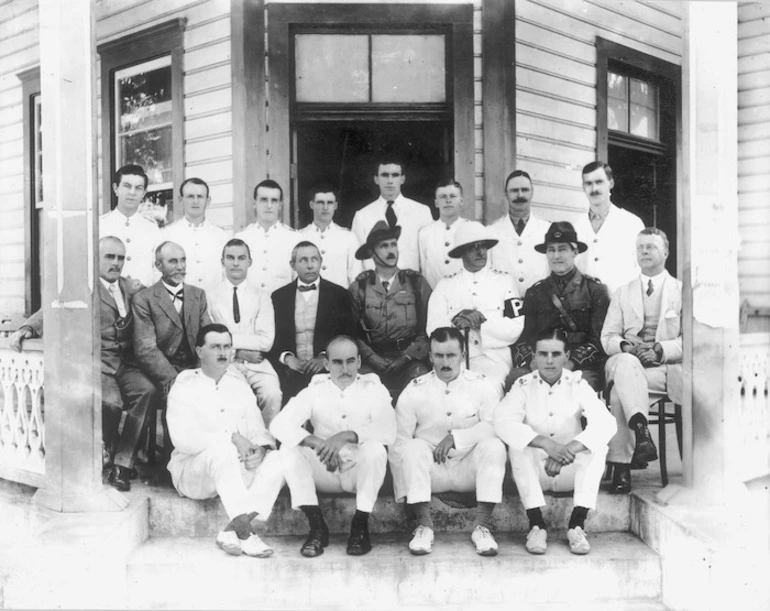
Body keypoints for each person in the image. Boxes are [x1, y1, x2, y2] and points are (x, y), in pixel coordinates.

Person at [10, 237, 157, 492]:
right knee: (111, 403)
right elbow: (52, 310)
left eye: (121, 258)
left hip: (126, 364)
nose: (116, 263)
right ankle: (108, 456)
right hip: (99, 363)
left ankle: (123, 463)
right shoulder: (84, 289)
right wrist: (27, 328)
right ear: (96, 259)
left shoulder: (129, 287)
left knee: (147, 391)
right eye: (110, 257)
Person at [269, 336, 396, 557]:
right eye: (337, 362)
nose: (344, 368)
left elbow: (388, 429)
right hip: (325, 468)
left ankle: (360, 525)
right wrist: (317, 443)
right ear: (326, 364)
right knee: (289, 450)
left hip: (358, 471)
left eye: (350, 361)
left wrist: (347, 436)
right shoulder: (314, 390)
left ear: (358, 362)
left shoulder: (374, 388)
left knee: (376, 449)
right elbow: (278, 424)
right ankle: (317, 527)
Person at [166, 324, 285, 558]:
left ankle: (231, 530)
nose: (223, 352)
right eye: (215, 347)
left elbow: (259, 432)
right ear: (200, 351)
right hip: (195, 474)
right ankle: (247, 534)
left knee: (281, 458)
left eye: (227, 347)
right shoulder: (185, 384)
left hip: (235, 473)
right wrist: (231, 437)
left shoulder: (239, 387)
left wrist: (260, 450)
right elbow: (183, 440)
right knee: (223, 450)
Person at [495, 329, 616, 556]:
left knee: (599, 447)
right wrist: (545, 444)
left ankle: (577, 525)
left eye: (555, 354)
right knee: (517, 445)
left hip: (570, 468)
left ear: (566, 356)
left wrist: (569, 449)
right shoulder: (523, 384)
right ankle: (536, 525)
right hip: (537, 470)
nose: (549, 360)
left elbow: (607, 423)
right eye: (543, 354)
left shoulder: (578, 384)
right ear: (534, 356)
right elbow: (502, 422)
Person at [390, 327, 506, 556]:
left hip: (468, 468)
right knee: (412, 447)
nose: (445, 362)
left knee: (495, 446)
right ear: (430, 356)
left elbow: (494, 427)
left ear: (463, 355)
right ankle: (424, 526)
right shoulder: (414, 390)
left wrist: (456, 438)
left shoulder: (482, 385)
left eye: (451, 355)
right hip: (432, 472)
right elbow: (399, 442)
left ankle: (482, 527)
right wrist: (405, 495)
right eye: (439, 355)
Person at [601, 227, 683, 494]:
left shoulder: (681, 291)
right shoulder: (623, 292)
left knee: (617, 395)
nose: (645, 251)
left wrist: (659, 350)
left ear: (666, 252)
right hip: (626, 362)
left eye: (651, 246)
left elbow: (690, 341)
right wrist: (625, 346)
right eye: (640, 247)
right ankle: (642, 433)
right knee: (625, 364)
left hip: (660, 370)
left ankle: (622, 467)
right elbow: (607, 337)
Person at [508, 221, 610, 392]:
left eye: (562, 249)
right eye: (551, 250)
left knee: (582, 385)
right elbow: (523, 337)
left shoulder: (595, 290)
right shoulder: (535, 292)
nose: (556, 256)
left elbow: (599, 340)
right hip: (542, 361)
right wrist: (533, 362)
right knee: (515, 379)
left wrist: (571, 363)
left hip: (580, 365)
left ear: (575, 252)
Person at [426, 221, 524, 391]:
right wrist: (456, 321)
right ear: (461, 252)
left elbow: (516, 326)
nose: (480, 252)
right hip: (454, 358)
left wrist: (479, 325)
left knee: (488, 388)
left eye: (483, 247)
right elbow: (432, 327)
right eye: (473, 247)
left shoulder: (505, 282)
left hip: (493, 356)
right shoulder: (445, 285)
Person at [349, 221, 432, 398]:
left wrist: (407, 357)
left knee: (422, 383)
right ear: (372, 252)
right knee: (360, 391)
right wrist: (372, 358)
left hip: (410, 360)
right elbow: (352, 333)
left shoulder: (416, 283)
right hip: (370, 361)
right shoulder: (360, 288)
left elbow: (428, 328)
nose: (391, 250)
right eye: (384, 246)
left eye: (393, 244)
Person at [207, 239, 282, 426]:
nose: (235, 263)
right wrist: (238, 352)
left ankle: (266, 443)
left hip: (257, 364)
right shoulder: (209, 296)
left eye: (241, 258)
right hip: (225, 364)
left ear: (250, 262)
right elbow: (210, 339)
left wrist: (229, 341)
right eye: (230, 258)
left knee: (272, 394)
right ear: (222, 261)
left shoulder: (262, 296)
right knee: (239, 398)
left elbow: (266, 342)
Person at [269, 241, 356, 401]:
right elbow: (271, 338)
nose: (310, 265)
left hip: (327, 369)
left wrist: (324, 357)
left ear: (320, 262)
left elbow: (348, 335)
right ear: (293, 265)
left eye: (314, 259)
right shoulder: (279, 297)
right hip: (290, 372)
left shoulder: (339, 294)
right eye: (303, 260)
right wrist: (287, 358)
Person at [132, 241, 212, 399]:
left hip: (195, 369)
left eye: (183, 260)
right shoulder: (144, 299)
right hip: (164, 373)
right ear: (158, 265)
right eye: (173, 261)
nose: (181, 267)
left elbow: (207, 339)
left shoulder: (198, 295)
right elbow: (146, 349)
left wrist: (200, 374)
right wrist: (174, 379)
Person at [574, 161, 645, 294]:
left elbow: (643, 270)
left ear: (611, 183)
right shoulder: (577, 227)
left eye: (599, 182)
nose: (594, 189)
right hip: (586, 309)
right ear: (583, 187)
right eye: (588, 183)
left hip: (621, 306)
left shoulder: (632, 223)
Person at [352, 157, 432, 273]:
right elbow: (358, 261)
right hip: (375, 286)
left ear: (402, 179)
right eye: (384, 175)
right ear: (376, 179)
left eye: (395, 175)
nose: (390, 181)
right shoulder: (362, 215)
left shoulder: (422, 212)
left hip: (411, 285)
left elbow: (428, 257)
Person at [161, 178, 229, 294]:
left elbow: (227, 275)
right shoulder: (167, 235)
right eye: (190, 196)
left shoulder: (221, 236)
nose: (195, 201)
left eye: (200, 196)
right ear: (181, 200)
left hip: (213, 306)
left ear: (208, 201)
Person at [488, 170, 550, 295]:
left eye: (525, 190)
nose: (520, 195)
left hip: (541, 305)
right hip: (504, 304)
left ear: (532, 193)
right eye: (514, 190)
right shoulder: (491, 232)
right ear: (506, 194)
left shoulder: (547, 229)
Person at [99, 164, 161, 289]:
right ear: (116, 188)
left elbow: (158, 270)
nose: (132, 192)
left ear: (144, 193)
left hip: (144, 300)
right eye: (127, 186)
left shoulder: (152, 228)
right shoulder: (100, 225)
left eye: (138, 188)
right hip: (109, 300)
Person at [234, 179, 299, 294]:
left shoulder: (294, 239)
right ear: (254, 203)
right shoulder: (241, 238)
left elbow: (299, 281)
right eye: (264, 200)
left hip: (281, 309)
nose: (269, 205)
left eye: (274, 201)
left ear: (280, 205)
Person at [298, 184, 363, 288]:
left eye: (330, 203)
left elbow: (355, 278)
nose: (325, 207)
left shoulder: (348, 238)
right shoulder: (299, 236)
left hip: (339, 300)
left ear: (336, 206)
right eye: (320, 202)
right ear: (311, 204)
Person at [417, 179, 472, 288]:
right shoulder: (425, 233)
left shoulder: (470, 229)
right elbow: (424, 270)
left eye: (452, 196)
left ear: (461, 201)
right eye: (442, 197)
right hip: (435, 296)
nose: (448, 201)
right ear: (436, 203)